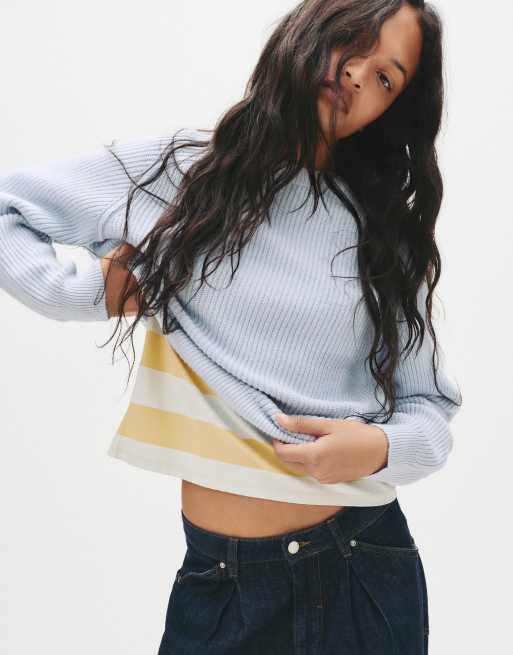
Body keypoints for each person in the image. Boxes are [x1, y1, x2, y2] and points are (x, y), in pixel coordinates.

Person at [0, 1, 462, 653]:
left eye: (386, 78)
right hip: (219, 582)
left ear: (391, 109)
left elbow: (430, 410)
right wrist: (94, 291)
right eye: (353, 42)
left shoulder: (384, 236)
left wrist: (379, 448)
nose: (358, 74)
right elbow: (10, 211)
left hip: (360, 569)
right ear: (311, 29)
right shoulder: (181, 172)